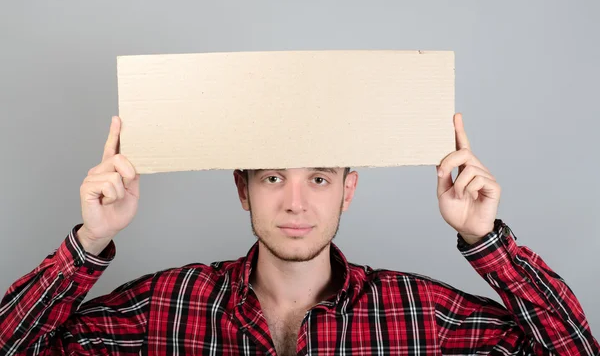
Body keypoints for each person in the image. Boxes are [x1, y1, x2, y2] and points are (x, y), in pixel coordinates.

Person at [0, 114, 598, 356]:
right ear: (243, 190)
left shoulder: (422, 314)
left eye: (318, 177)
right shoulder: (165, 306)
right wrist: (90, 241)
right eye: (272, 177)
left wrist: (486, 240)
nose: (295, 202)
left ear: (348, 189)